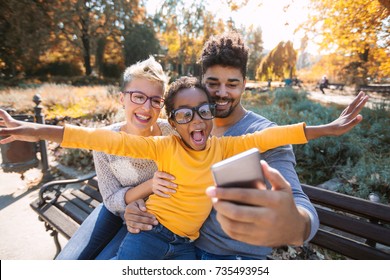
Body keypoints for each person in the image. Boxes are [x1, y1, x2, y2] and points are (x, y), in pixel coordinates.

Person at [0, 75, 367, 259]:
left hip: (188, 247)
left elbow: (274, 136)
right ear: (171, 122)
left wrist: (329, 128)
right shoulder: (161, 146)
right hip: (151, 233)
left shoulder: (225, 147)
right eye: (185, 114)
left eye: (204, 111)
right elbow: (92, 138)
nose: (197, 121)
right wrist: (29, 129)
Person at [124, 32, 368, 260]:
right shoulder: (181, 126)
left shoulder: (264, 135)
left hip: (232, 258)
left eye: (232, 84)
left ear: (244, 83)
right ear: (201, 81)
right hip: (178, 245)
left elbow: (297, 200)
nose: (221, 93)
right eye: (213, 83)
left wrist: (294, 224)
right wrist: (136, 205)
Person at [55, 56, 176, 259]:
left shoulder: (171, 134)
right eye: (138, 96)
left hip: (148, 218)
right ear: (122, 99)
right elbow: (111, 199)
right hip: (115, 211)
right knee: (68, 261)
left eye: (155, 100)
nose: (146, 108)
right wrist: (149, 185)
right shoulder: (105, 140)